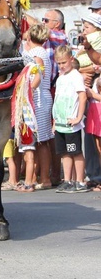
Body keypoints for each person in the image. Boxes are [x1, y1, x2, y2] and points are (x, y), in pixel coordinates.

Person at [15, 25, 52, 192]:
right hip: (37, 96)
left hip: (37, 98)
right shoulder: (37, 51)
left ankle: (44, 178)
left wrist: (28, 89)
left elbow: (38, 73)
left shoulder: (37, 54)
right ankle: (37, 176)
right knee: (38, 139)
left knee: (41, 139)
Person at [53, 45, 90, 193]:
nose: (61, 66)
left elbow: (82, 96)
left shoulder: (75, 76)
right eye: (59, 63)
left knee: (75, 152)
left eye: (64, 62)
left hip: (72, 123)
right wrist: (55, 120)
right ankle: (67, 180)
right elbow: (57, 98)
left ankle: (80, 181)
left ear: (71, 59)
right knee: (64, 153)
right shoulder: (61, 77)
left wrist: (78, 117)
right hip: (61, 122)